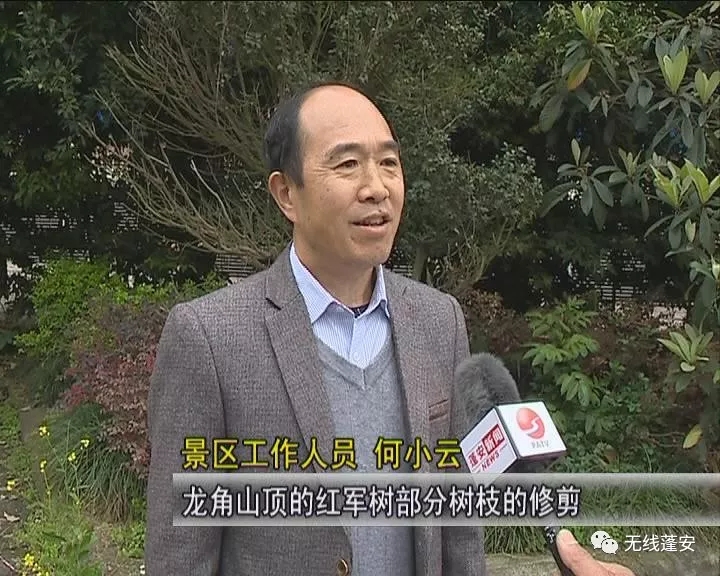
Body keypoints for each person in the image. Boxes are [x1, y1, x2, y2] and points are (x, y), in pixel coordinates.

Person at [144, 80, 636, 576]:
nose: (377, 187)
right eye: (347, 164)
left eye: (389, 162)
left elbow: (458, 527)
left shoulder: (439, 320)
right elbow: (180, 557)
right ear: (287, 193)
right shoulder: (209, 338)